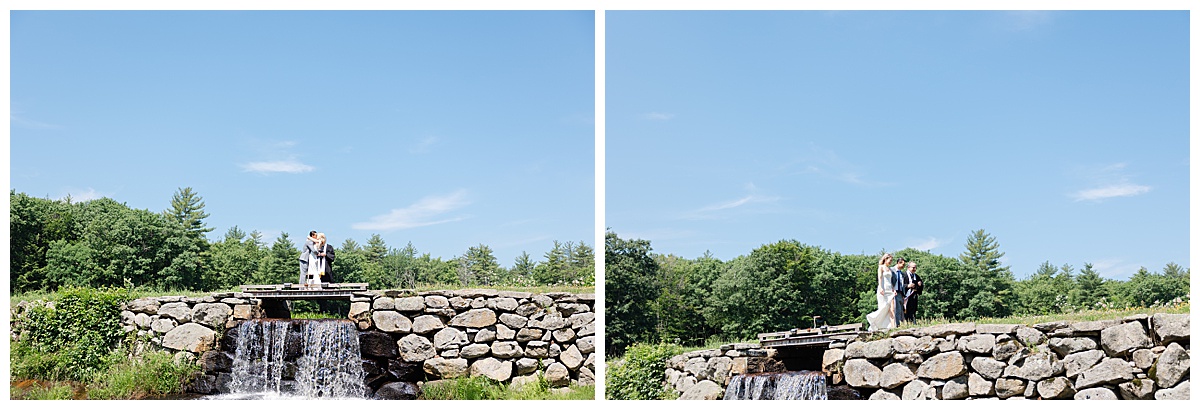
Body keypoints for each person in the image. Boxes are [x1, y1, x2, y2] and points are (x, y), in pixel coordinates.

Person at [865, 253, 897, 331]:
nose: (890, 262)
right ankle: (876, 322)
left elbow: (890, 281)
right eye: (890, 260)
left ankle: (893, 327)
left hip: (890, 290)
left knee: (892, 309)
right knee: (883, 308)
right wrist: (880, 288)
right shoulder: (881, 267)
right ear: (885, 259)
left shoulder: (890, 269)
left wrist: (893, 289)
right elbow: (880, 278)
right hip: (883, 290)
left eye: (891, 260)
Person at [892, 257, 909, 326]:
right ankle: (895, 325)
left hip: (900, 293)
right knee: (895, 309)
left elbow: (902, 284)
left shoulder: (902, 274)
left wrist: (903, 294)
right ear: (899, 263)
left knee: (899, 310)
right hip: (893, 292)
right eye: (903, 264)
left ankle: (899, 324)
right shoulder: (892, 270)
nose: (903, 266)